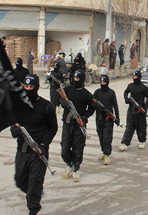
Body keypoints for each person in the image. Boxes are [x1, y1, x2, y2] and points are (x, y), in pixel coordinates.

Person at [10, 74, 58, 215]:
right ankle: (34, 194)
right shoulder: (19, 105)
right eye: (26, 86)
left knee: (35, 183)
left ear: (36, 87)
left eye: (31, 87)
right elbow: (13, 127)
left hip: (38, 152)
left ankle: (33, 208)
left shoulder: (46, 106)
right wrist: (15, 131)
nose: (28, 89)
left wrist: (43, 144)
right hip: (22, 151)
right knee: (20, 180)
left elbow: (52, 128)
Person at [59, 70, 95, 182]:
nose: (75, 80)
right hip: (67, 123)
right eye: (74, 78)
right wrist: (63, 103)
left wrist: (84, 117)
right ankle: (69, 164)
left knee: (78, 148)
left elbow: (92, 108)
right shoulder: (68, 90)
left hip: (79, 126)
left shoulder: (86, 94)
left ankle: (76, 168)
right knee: (64, 147)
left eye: (78, 79)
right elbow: (60, 97)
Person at [119, 71, 148, 151]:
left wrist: (145, 108)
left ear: (139, 77)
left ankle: (142, 141)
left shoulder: (143, 87)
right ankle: (125, 143)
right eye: (134, 77)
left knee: (141, 126)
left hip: (140, 110)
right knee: (129, 126)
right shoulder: (130, 86)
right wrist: (127, 99)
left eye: (136, 77)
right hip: (131, 109)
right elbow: (126, 92)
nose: (135, 78)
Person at [93, 75, 119, 165]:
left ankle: (107, 155)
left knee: (107, 137)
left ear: (107, 82)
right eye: (101, 82)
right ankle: (104, 151)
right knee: (101, 136)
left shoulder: (111, 92)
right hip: (99, 118)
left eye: (104, 82)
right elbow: (93, 102)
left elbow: (115, 105)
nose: (102, 84)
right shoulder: (97, 92)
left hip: (108, 119)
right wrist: (100, 108)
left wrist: (117, 117)